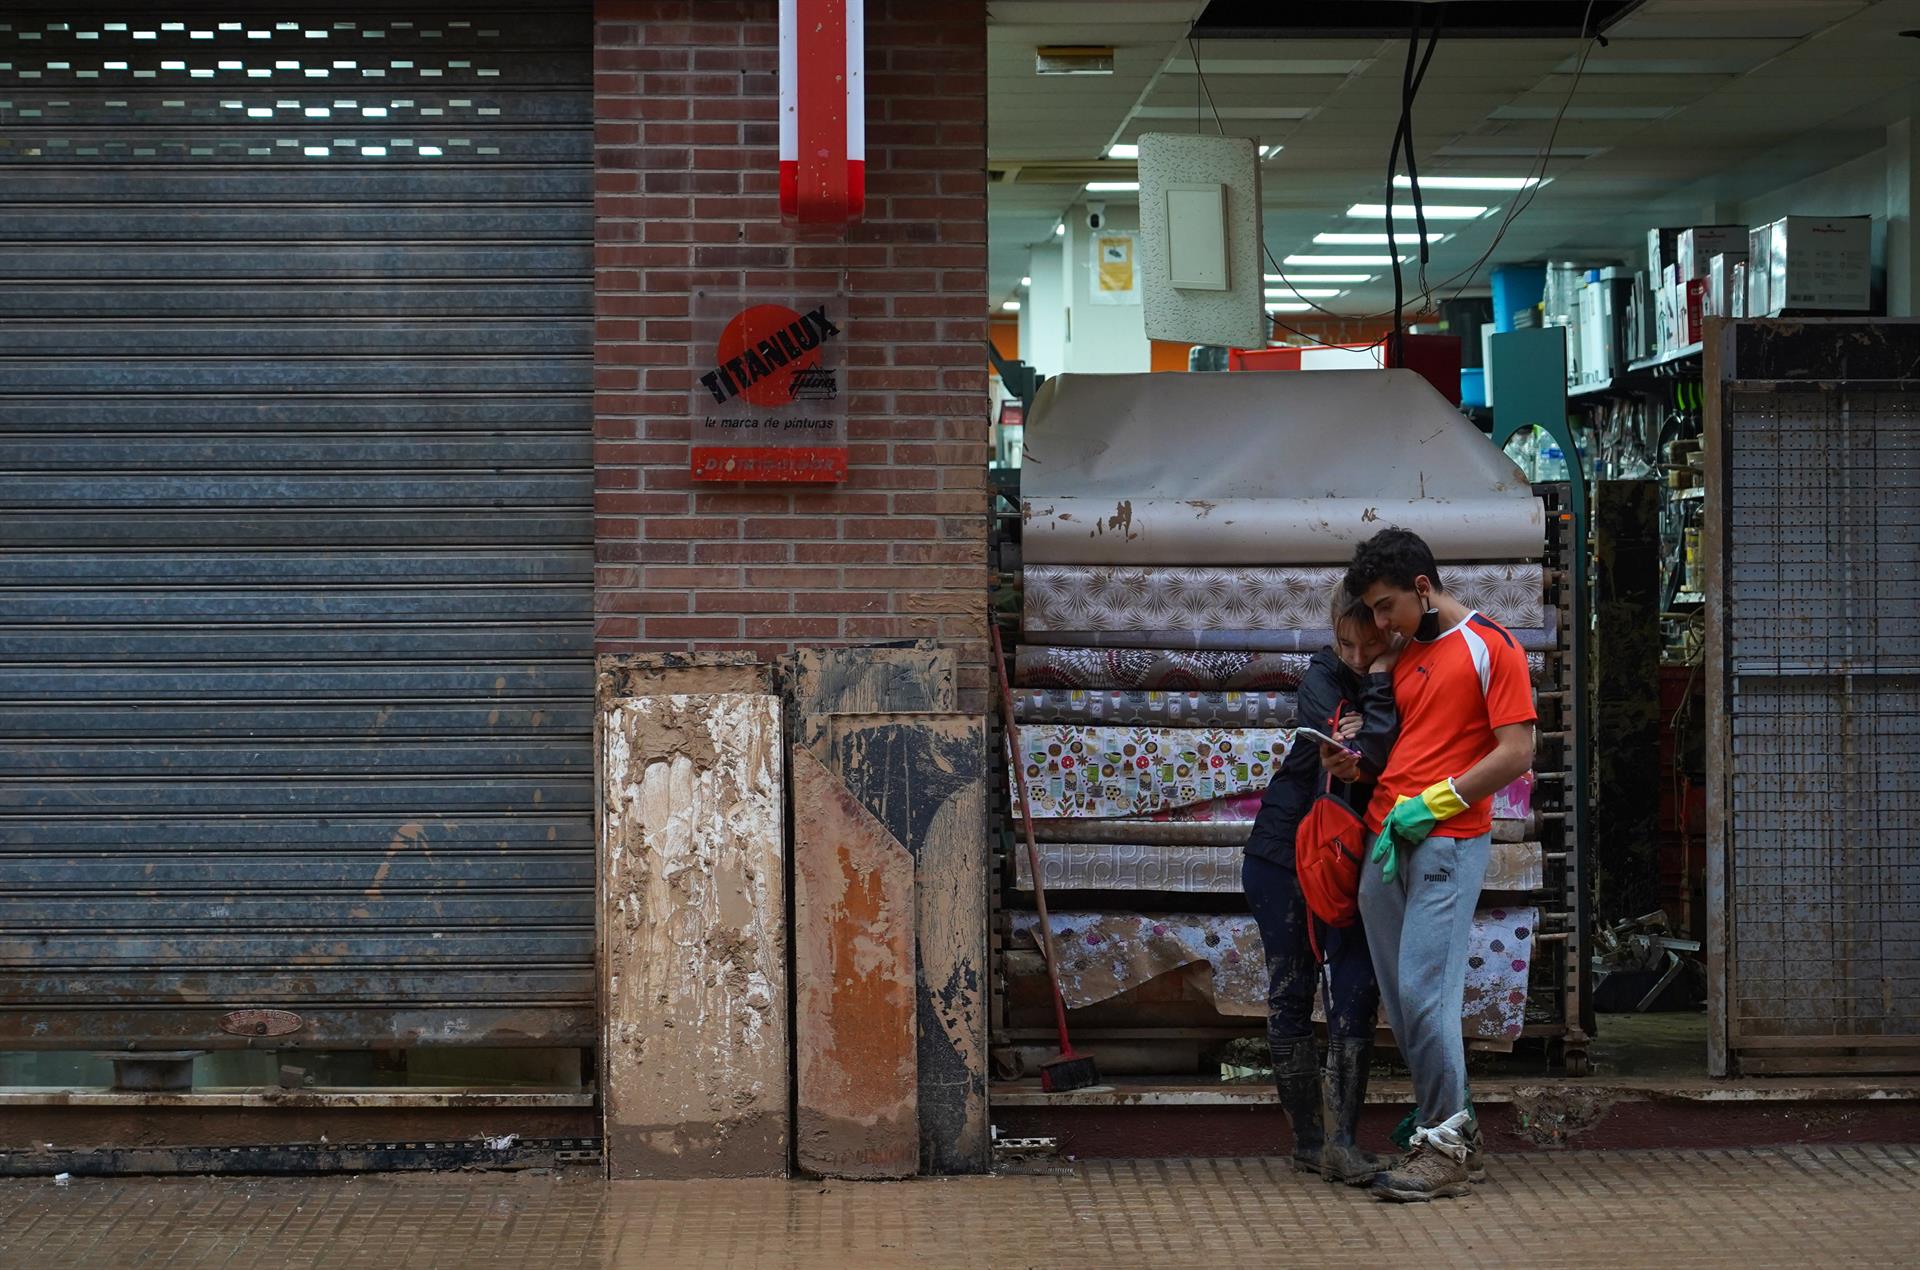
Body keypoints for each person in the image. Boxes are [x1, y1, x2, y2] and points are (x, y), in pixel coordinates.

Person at [1340, 527, 1537, 1203]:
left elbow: (1516, 751)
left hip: (1448, 840)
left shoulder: (1493, 646)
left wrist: (1440, 801)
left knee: (1427, 998)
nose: (1380, 621)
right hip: (1386, 838)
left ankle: (1446, 1145)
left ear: (1423, 588)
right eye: (1371, 609)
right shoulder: (1403, 655)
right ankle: (1446, 1131)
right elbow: (1402, 743)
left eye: (1387, 605)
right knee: (1405, 1002)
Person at [1242, 582, 1400, 1184]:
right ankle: (1311, 1142)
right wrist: (1368, 727)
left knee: (1356, 993)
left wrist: (1381, 682)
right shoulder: (1320, 678)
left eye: (1371, 645)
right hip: (1286, 856)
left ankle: (1341, 1142)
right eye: (1345, 642)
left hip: (1351, 857)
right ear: (1331, 627)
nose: (1356, 656)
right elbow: (1353, 745)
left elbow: (1385, 745)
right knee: (1292, 992)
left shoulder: (1397, 673)